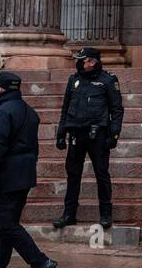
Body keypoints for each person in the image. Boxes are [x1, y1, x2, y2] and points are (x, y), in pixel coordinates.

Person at [0, 71, 57, 268]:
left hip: (8, 175)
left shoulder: (4, 112)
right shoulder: (29, 111)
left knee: (8, 225)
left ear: (0, 89)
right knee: (7, 225)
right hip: (24, 175)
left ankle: (39, 262)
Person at [52, 47, 123, 230]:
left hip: (97, 133)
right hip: (76, 132)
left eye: (82, 60)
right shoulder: (74, 80)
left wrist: (114, 134)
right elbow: (65, 108)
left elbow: (116, 110)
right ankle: (69, 213)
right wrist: (61, 134)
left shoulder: (107, 80)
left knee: (101, 173)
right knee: (73, 174)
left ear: (92, 61)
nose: (79, 63)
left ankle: (106, 214)